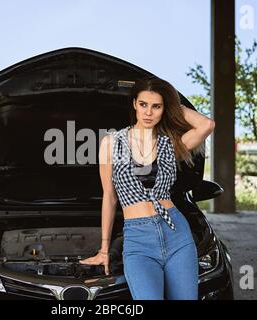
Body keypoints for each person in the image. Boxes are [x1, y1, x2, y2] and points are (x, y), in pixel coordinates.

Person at [79, 76, 215, 300]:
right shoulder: (111, 143)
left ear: (164, 109)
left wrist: (172, 103)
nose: (148, 112)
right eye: (143, 104)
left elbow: (207, 124)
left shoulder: (170, 143)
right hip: (138, 240)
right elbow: (110, 198)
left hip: (176, 234)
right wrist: (104, 249)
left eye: (156, 106)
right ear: (134, 104)